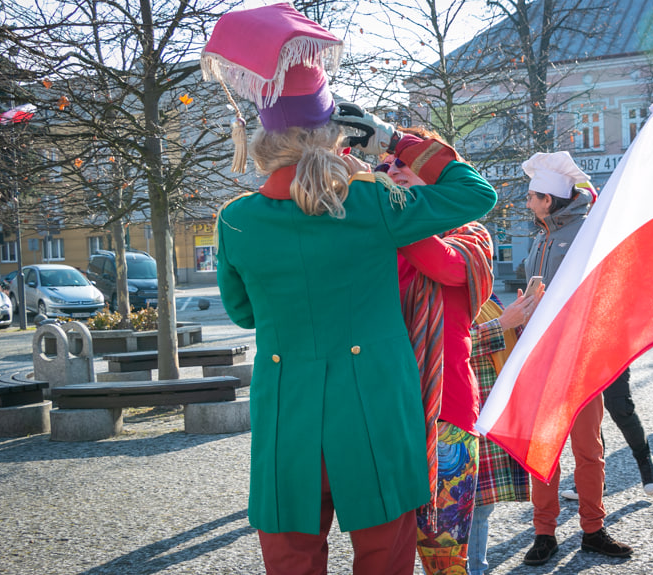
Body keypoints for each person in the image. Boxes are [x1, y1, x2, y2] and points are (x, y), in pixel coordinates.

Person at [203, 5, 497, 574]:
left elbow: (242, 314)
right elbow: (473, 193)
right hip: (378, 411)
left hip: (287, 414)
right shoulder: (371, 203)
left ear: (261, 137)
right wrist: (395, 139)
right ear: (336, 132)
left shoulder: (235, 222)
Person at [382, 126, 494, 574]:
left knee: (444, 560)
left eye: (404, 163)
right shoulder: (380, 235)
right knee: (384, 554)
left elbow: (444, 267)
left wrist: (386, 212)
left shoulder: (471, 235)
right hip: (386, 410)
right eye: (387, 163)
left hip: (448, 413)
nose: (392, 169)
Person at [521, 151, 632, 566]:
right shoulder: (539, 235)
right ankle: (544, 533)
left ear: (549, 199)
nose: (527, 202)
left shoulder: (587, 231)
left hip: (579, 358)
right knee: (543, 449)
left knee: (588, 449)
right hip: (540, 358)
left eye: (532, 196)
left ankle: (593, 530)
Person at [467, 290, 540, 575]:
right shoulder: (438, 289)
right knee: (465, 505)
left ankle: (476, 568)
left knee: (481, 505)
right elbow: (440, 346)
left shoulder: (484, 292)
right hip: (463, 411)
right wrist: (503, 324)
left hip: (485, 406)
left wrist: (523, 318)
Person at [559, 367, 653, 500]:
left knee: (620, 407)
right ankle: (595, 479)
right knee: (588, 415)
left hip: (610, 351)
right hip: (580, 356)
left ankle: (645, 460)